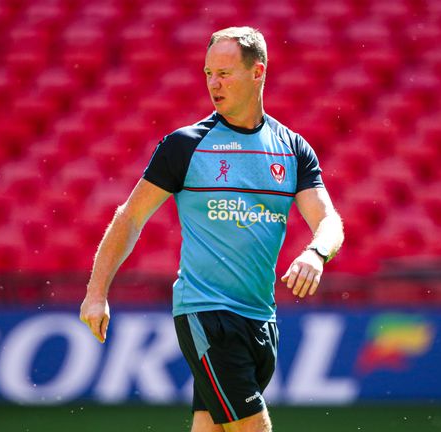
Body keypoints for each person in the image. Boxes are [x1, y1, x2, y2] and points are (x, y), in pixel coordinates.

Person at [80, 26, 344, 432]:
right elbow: (129, 217)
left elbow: (328, 221)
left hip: (261, 318)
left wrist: (316, 252)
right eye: (208, 74)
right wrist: (96, 294)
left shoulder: (291, 148)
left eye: (224, 73)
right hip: (207, 314)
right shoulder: (184, 145)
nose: (213, 84)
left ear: (257, 73)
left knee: (210, 428)